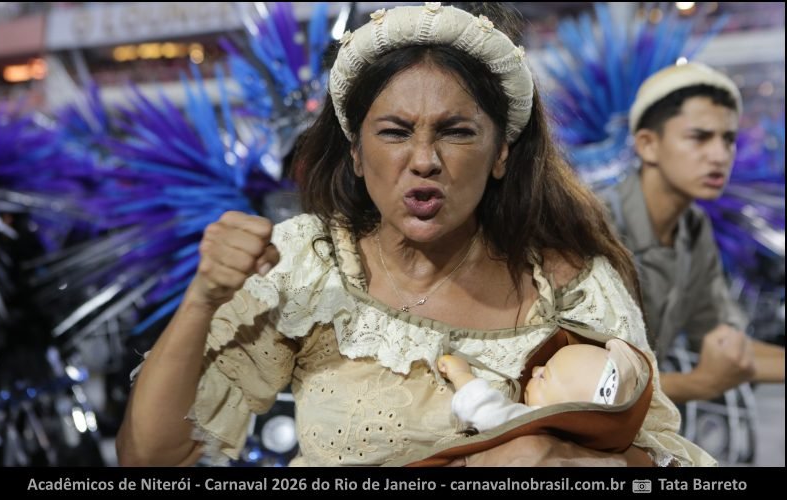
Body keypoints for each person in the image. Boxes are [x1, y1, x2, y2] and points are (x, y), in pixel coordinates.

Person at [116, 3, 714, 467]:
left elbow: (663, 453)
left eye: (455, 132)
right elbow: (152, 458)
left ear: (502, 152)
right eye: (396, 132)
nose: (424, 159)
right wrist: (203, 298)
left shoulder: (569, 283)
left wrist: (557, 459)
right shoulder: (310, 263)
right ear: (355, 153)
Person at [601, 62, 785, 404]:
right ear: (647, 145)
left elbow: (725, 341)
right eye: (699, 137)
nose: (719, 155)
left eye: (728, 139)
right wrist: (700, 384)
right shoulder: (595, 226)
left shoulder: (693, 227)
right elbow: (590, 383)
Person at [437, 339, 644, 435]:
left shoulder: (540, 423)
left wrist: (460, 374)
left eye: (544, 375)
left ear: (564, 409)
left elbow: (484, 411)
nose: (535, 369)